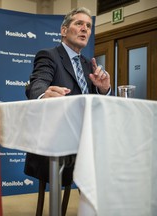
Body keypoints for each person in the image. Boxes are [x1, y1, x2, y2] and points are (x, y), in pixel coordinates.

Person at [24, 7, 113, 191]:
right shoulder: (49, 56)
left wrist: (103, 90)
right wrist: (43, 94)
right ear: (64, 31)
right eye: (79, 23)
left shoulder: (89, 64)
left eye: (88, 26)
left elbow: (92, 104)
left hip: (87, 139)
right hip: (59, 142)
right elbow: (37, 83)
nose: (85, 29)